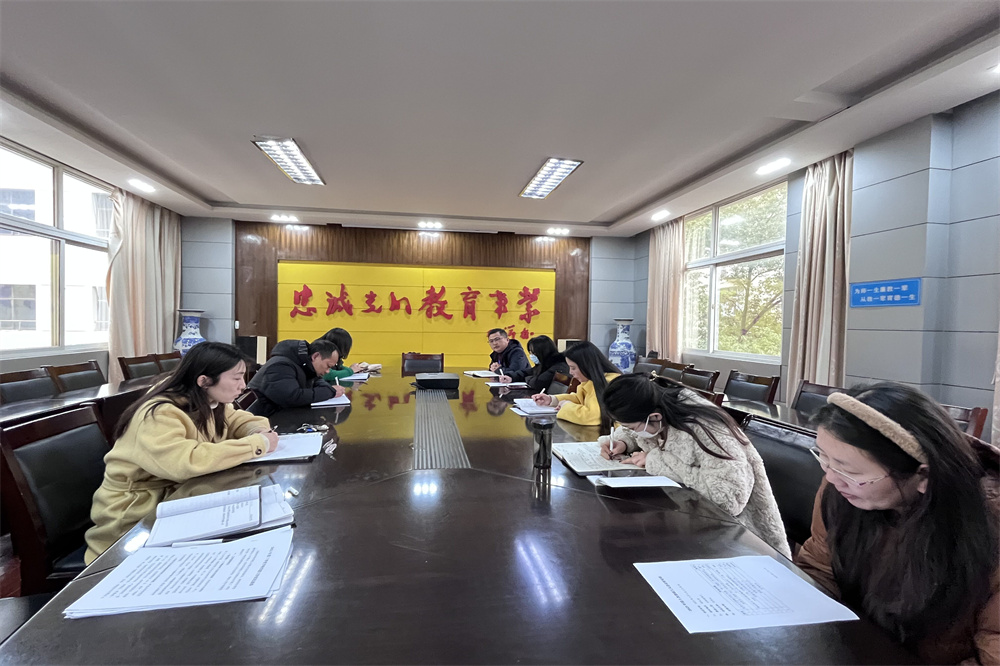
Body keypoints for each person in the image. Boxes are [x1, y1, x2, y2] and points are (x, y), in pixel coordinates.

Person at [795, 383, 998, 664]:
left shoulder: (988, 525)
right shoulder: (841, 492)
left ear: (924, 477)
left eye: (849, 471)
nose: (831, 477)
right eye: (824, 458)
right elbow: (819, 568)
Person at [84, 342, 278, 563]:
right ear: (203, 381)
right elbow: (185, 462)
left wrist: (257, 431)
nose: (243, 386)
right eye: (236, 378)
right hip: (133, 519)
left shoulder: (209, 400)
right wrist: (255, 444)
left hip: (175, 501)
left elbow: (237, 420)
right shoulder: (160, 413)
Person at [598, 373, 791, 558]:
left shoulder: (706, 428)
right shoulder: (658, 406)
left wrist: (655, 461)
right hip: (691, 519)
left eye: (631, 427)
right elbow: (638, 430)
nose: (631, 431)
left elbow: (727, 498)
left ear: (655, 417)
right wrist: (623, 441)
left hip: (740, 537)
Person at [531, 341, 619, 430]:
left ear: (586, 365)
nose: (570, 372)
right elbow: (579, 399)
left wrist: (565, 405)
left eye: (573, 368)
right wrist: (552, 400)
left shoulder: (608, 383)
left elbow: (590, 417)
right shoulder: (589, 381)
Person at [247, 339, 343, 417]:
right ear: (315, 356)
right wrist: (330, 392)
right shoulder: (281, 366)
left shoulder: (304, 364)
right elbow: (292, 397)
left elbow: (316, 380)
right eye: (328, 366)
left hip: (278, 415)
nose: (327, 371)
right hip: (260, 419)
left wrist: (327, 389)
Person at [498, 335, 570, 393]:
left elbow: (537, 383)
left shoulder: (559, 366)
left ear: (543, 352)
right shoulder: (543, 364)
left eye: (534, 353)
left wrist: (528, 378)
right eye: (530, 352)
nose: (531, 355)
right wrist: (511, 377)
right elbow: (527, 372)